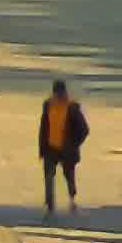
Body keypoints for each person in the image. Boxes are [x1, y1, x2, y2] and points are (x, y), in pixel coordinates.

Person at [38, 79, 89, 214]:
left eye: (61, 93)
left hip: (67, 150)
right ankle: (50, 205)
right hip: (50, 148)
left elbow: (84, 129)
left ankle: (72, 200)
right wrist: (42, 147)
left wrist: (74, 144)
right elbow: (44, 127)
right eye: (57, 93)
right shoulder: (48, 105)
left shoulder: (72, 108)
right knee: (49, 176)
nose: (59, 96)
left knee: (69, 176)